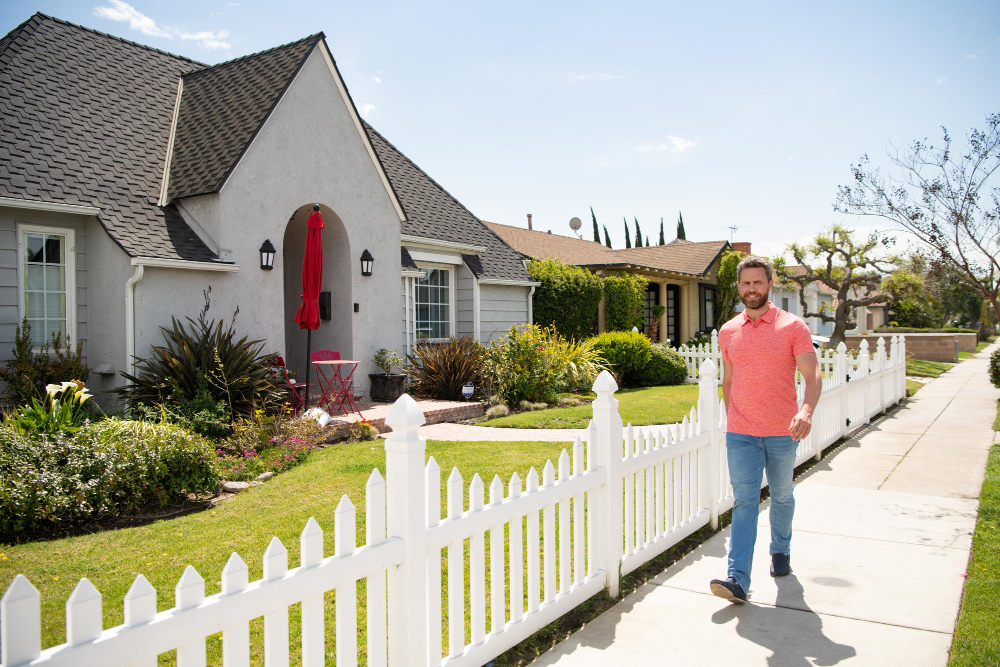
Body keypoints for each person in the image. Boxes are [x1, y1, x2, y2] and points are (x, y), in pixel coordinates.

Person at [709, 256, 822, 604]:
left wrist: (805, 410)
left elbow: (812, 374)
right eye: (746, 283)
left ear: (770, 285)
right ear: (739, 286)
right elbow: (728, 380)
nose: (752, 289)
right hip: (741, 432)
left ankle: (780, 550)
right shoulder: (728, 331)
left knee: (783, 495)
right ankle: (737, 579)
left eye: (758, 282)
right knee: (744, 502)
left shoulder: (793, 327)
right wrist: (734, 419)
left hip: (782, 432)